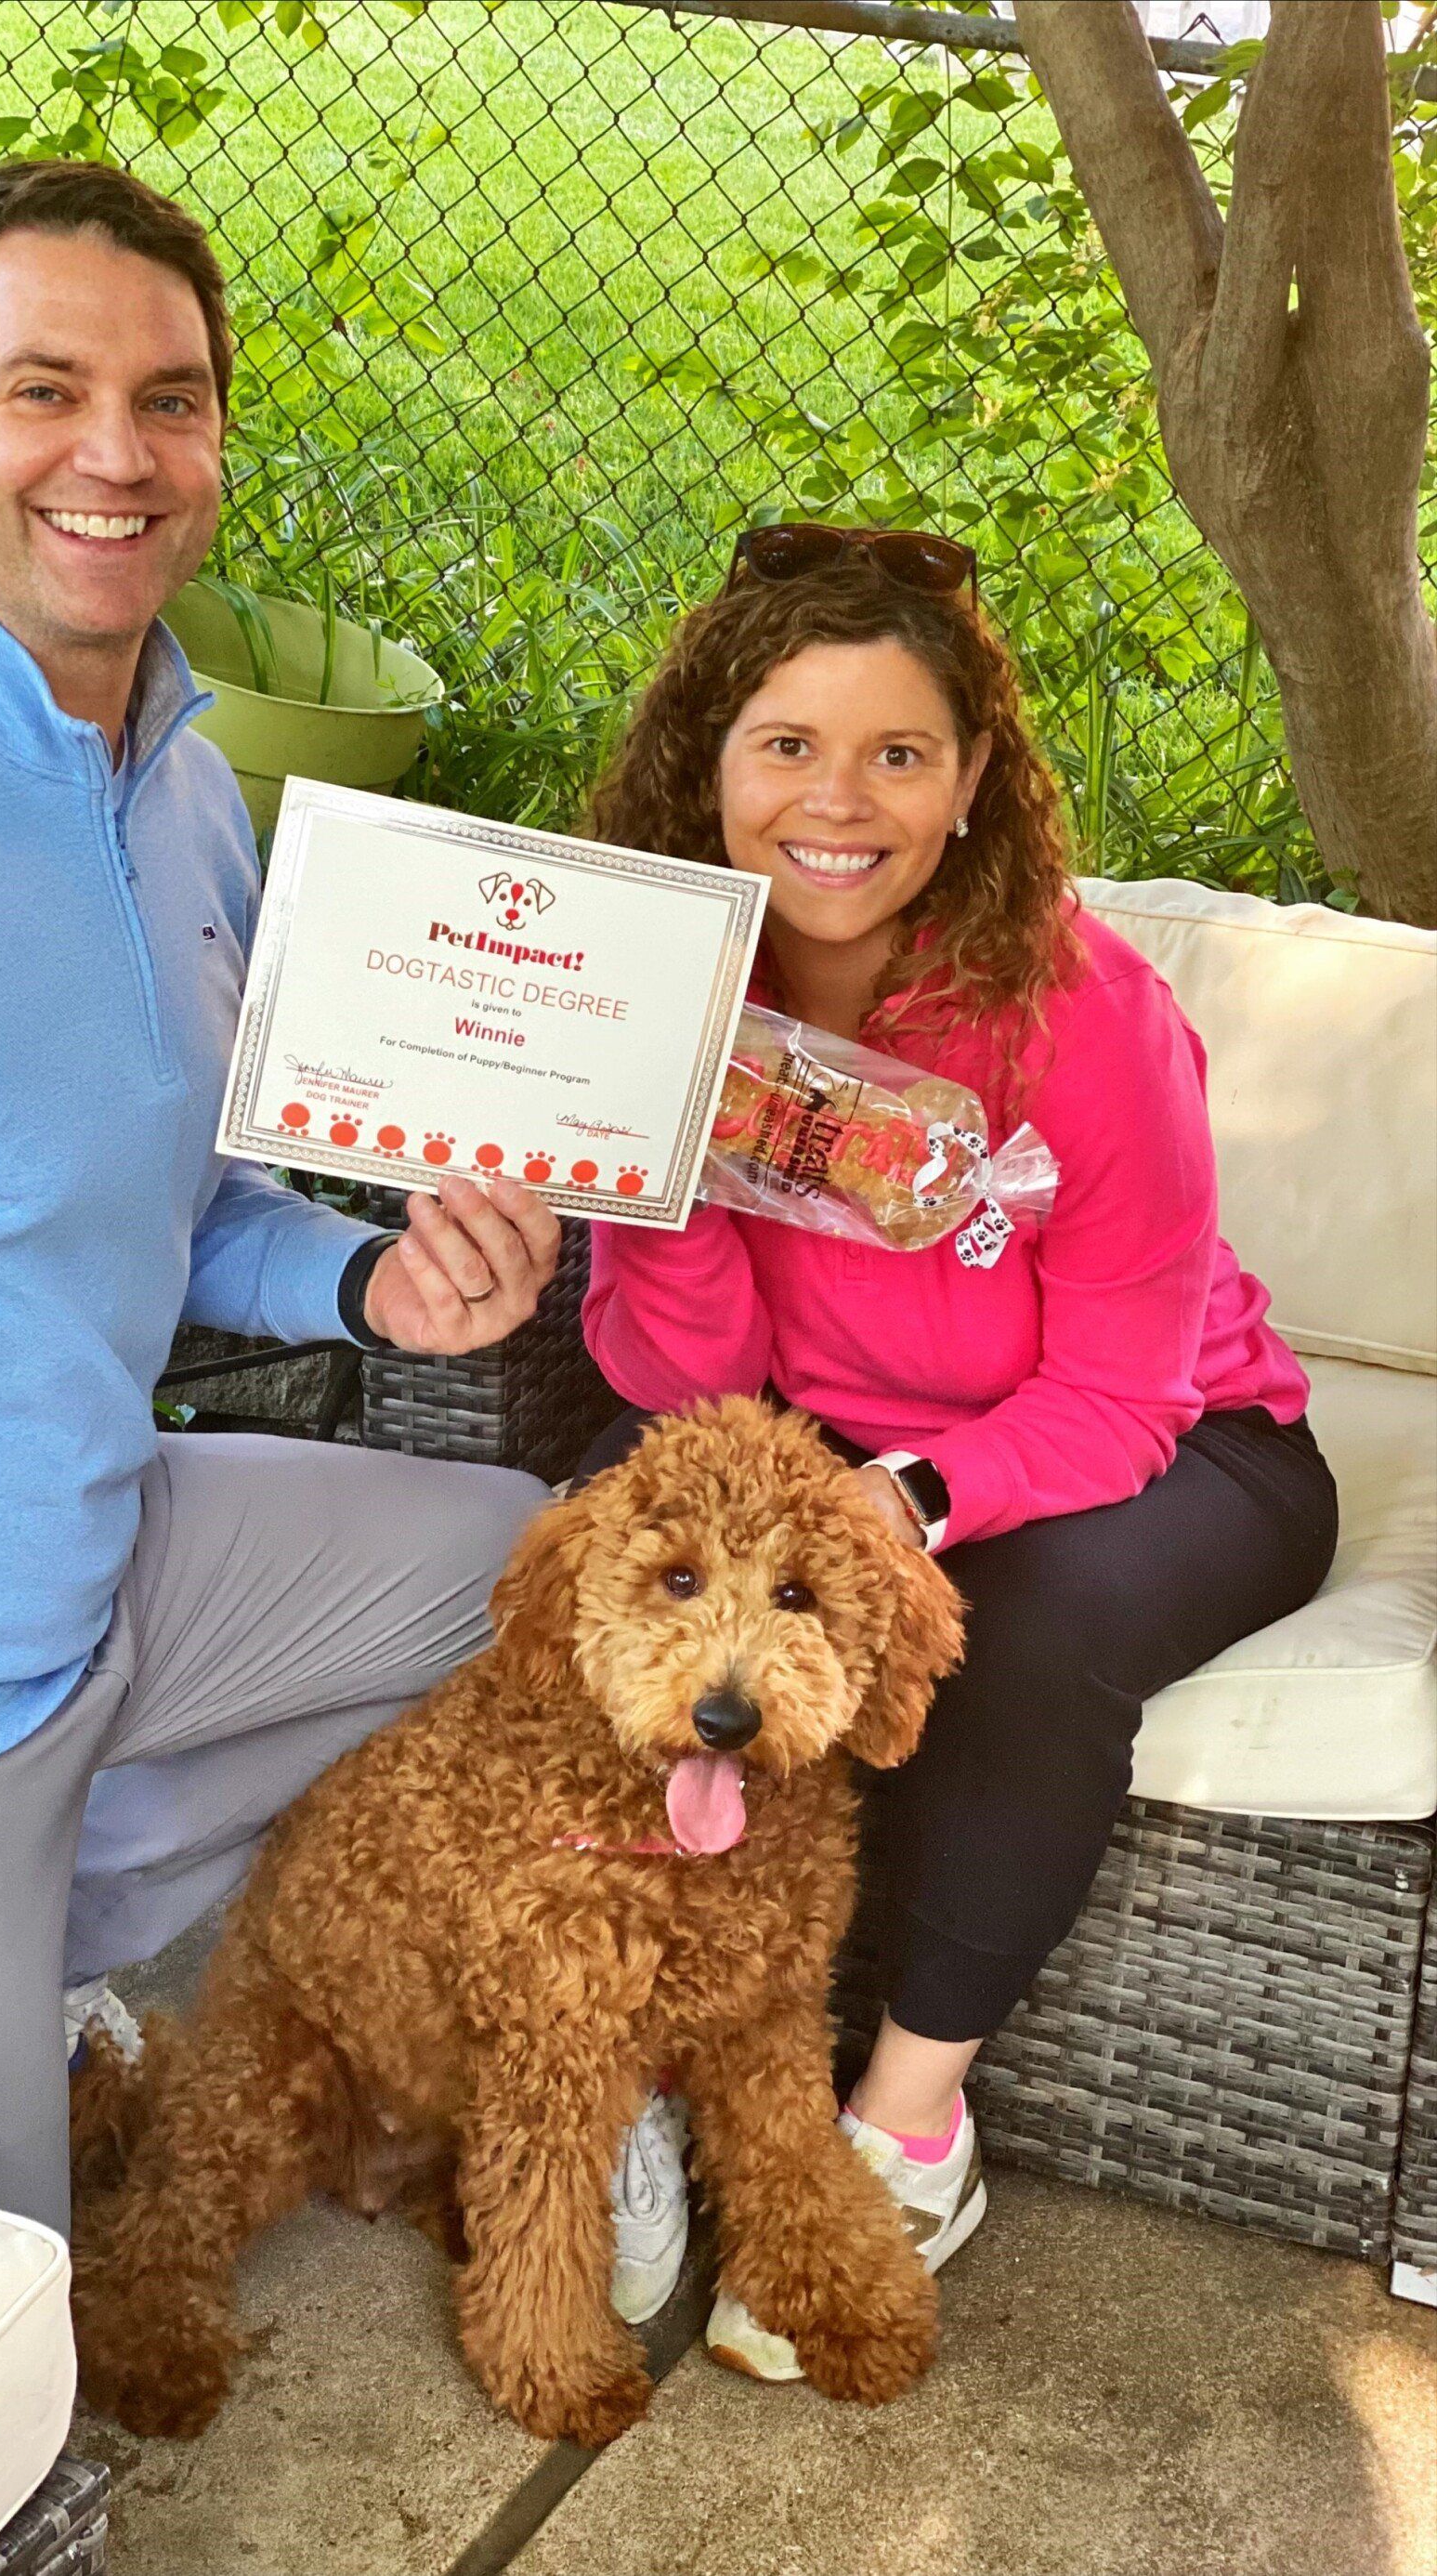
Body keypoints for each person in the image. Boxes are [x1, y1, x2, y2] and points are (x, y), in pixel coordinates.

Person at [0, 161, 558, 2238]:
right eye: (44, 388)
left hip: (104, 1551)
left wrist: (366, 1285)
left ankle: (57, 1933)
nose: (115, 455)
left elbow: (190, 1200)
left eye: (171, 399)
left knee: (524, 1579)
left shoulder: (179, 779)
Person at [578, 522, 1339, 2374]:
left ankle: (910, 2124)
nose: (837, 803)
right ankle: (641, 2073)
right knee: (611, 1597)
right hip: (814, 1440)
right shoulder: (663, 982)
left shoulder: (1080, 1016)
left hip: (1172, 1451)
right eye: (786, 746)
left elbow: (1126, 1384)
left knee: (1002, 1616)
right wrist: (668, 1159)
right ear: (710, 760)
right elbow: (686, 1373)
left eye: (898, 753)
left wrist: (895, 1504)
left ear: (973, 780)